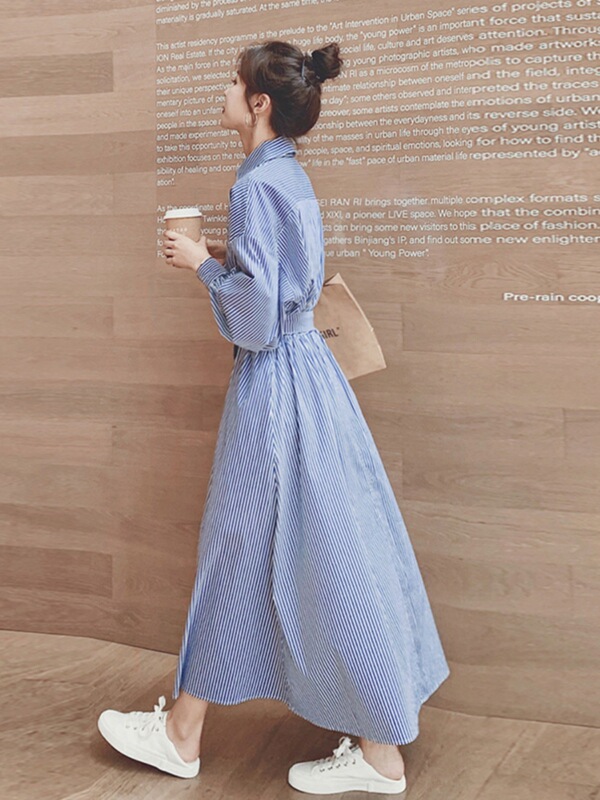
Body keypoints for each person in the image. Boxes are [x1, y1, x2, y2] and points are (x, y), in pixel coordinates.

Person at [97, 39, 450, 795]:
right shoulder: (287, 174)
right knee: (315, 548)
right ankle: (198, 731)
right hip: (311, 381)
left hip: (275, 387)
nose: (223, 93)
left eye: (233, 83)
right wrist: (221, 253)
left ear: (259, 103)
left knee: (260, 547)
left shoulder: (256, 183)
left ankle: (207, 736)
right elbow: (286, 279)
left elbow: (257, 320)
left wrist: (200, 265)